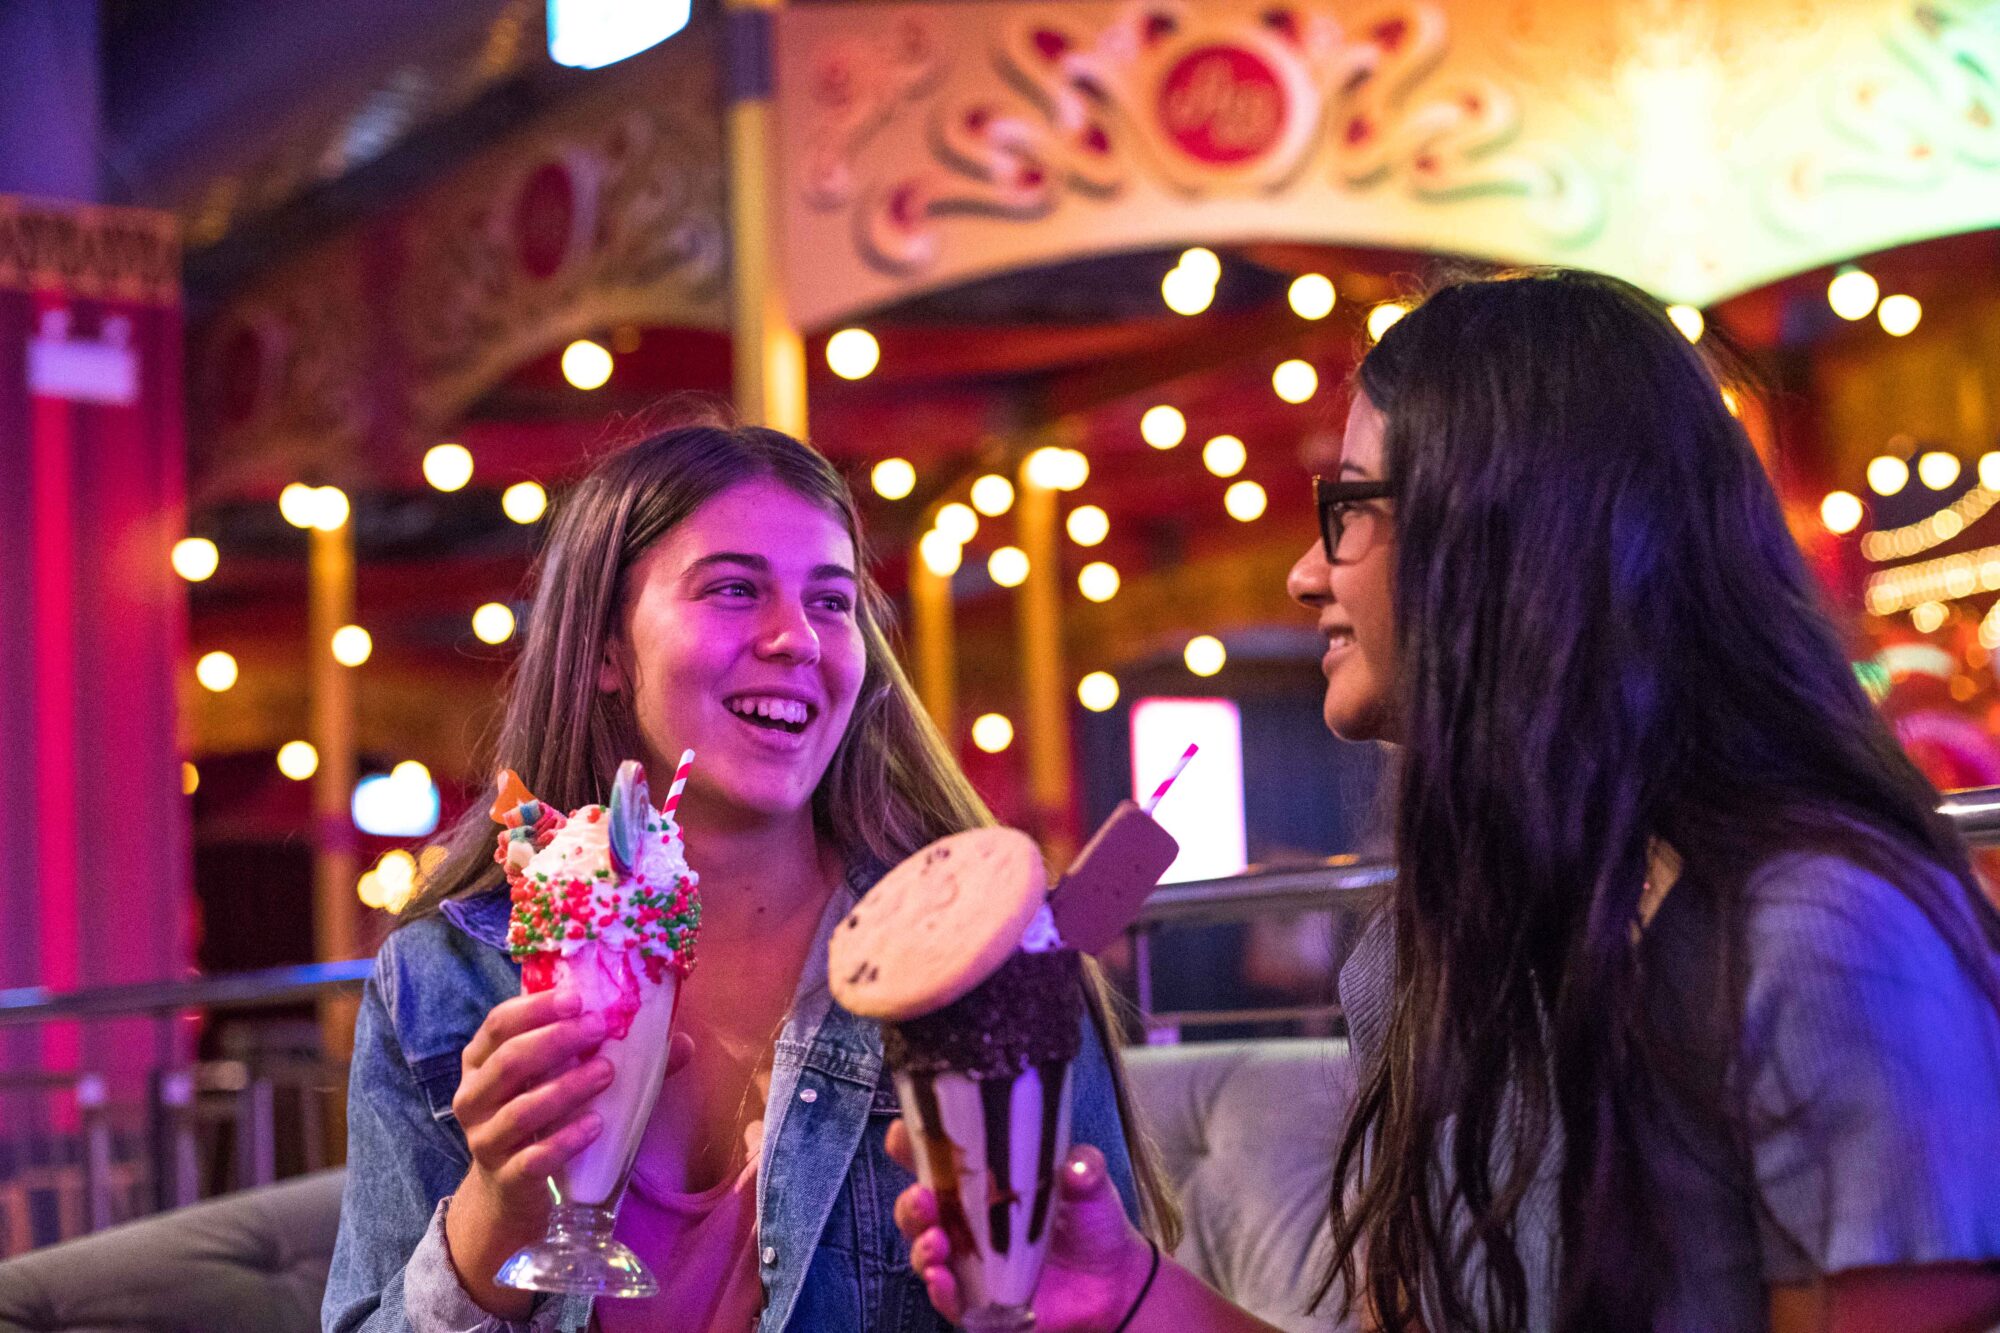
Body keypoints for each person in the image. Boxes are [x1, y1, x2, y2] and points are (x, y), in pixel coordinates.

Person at [893, 270, 2000, 1333]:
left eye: (1350, 507)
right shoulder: (1427, 953)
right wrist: (1122, 1291)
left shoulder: (1819, 940)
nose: (1304, 573)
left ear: (1513, 535)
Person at [323, 413, 1179, 1333]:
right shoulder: (445, 977)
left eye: (832, 601)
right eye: (734, 589)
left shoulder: (978, 958)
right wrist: (499, 1213)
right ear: (607, 651)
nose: (798, 640)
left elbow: (1101, 1297)